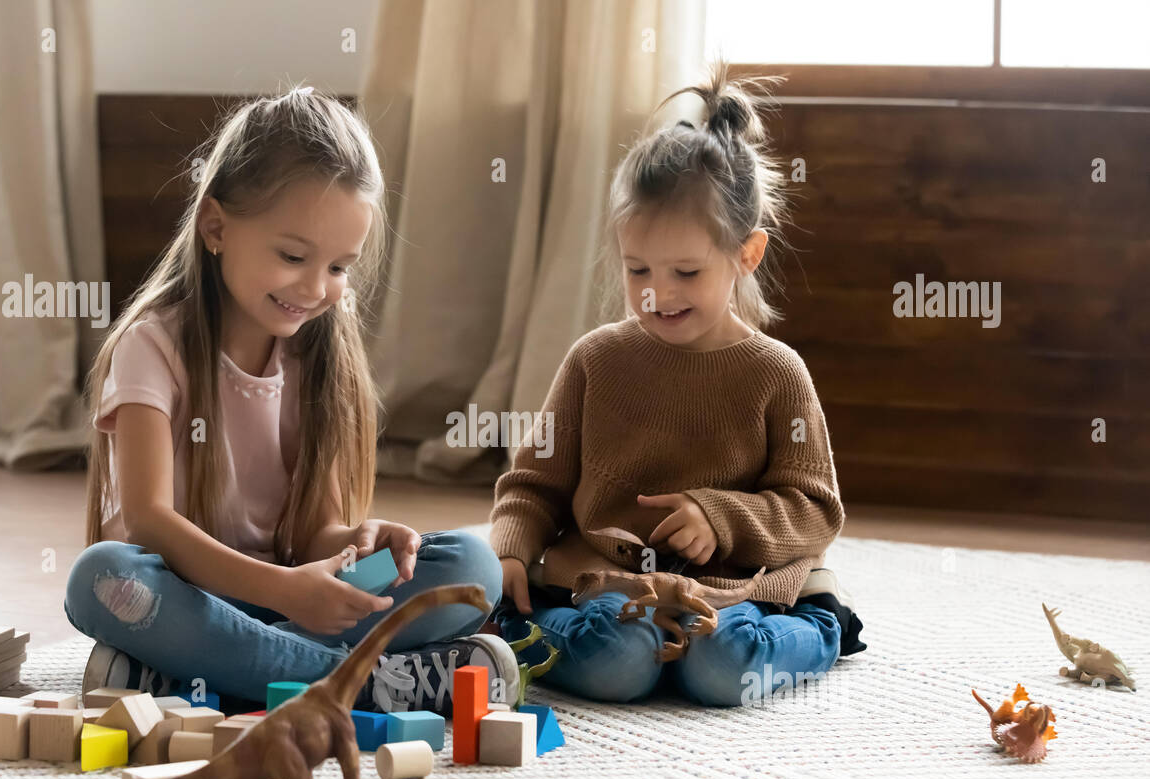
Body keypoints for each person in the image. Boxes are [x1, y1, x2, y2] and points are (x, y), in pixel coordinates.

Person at [64, 88, 510, 716]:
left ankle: (182, 677)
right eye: (294, 256)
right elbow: (146, 521)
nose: (316, 287)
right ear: (216, 228)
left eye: (338, 267)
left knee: (470, 566)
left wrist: (359, 539)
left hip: (290, 600)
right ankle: (375, 684)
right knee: (102, 578)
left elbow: (311, 534)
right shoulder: (152, 345)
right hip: (191, 597)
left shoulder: (316, 355)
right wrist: (286, 590)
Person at [489, 63, 865, 707]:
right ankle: (548, 638)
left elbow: (815, 510)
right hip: (607, 591)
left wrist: (720, 517)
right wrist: (512, 552)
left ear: (747, 254)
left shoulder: (776, 371)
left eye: (686, 272)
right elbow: (534, 484)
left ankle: (817, 626)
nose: (657, 294)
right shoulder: (595, 360)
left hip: (733, 595)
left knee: (724, 670)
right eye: (638, 270)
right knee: (618, 668)